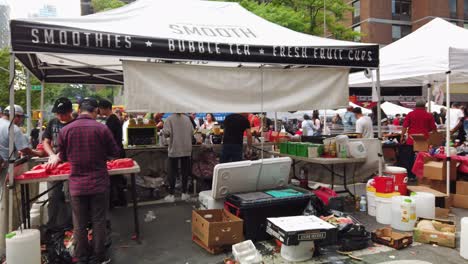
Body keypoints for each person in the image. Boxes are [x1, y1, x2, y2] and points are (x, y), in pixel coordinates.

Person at [47, 98, 120, 264]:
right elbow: (115, 152)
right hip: (99, 183)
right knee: (99, 221)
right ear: (94, 111)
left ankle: (81, 257)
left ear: (79, 110)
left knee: (79, 222)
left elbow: (63, 157)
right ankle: (98, 257)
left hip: (77, 185)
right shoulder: (102, 129)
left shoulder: (66, 130)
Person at [43, 97, 75, 229]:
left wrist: (60, 155)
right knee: (53, 195)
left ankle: (73, 225)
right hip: (54, 165)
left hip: (70, 165)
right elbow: (45, 141)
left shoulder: (75, 124)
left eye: (63, 113)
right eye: (58, 113)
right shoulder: (52, 123)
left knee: (71, 196)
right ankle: (52, 225)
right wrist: (51, 155)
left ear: (70, 111)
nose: (60, 116)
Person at [399, 100, 437, 181]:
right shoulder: (429, 115)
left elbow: (405, 126)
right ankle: (423, 176)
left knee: (410, 158)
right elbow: (433, 129)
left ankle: (410, 175)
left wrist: (402, 136)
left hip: (411, 140)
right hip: (424, 140)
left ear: (415, 106)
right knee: (424, 158)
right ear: (424, 106)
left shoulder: (410, 114)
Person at [98, 99, 126, 208]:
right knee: (116, 178)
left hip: (114, 153)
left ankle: (117, 201)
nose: (99, 111)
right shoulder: (112, 119)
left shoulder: (112, 120)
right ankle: (119, 200)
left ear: (105, 108)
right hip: (117, 151)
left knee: (115, 178)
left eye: (100, 108)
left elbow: (109, 139)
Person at [161, 113, 194, 202]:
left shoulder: (169, 119)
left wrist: (162, 131)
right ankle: (184, 193)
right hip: (186, 148)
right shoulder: (187, 119)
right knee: (185, 172)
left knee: (172, 171)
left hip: (174, 148)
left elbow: (166, 133)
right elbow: (192, 132)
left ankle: (171, 195)